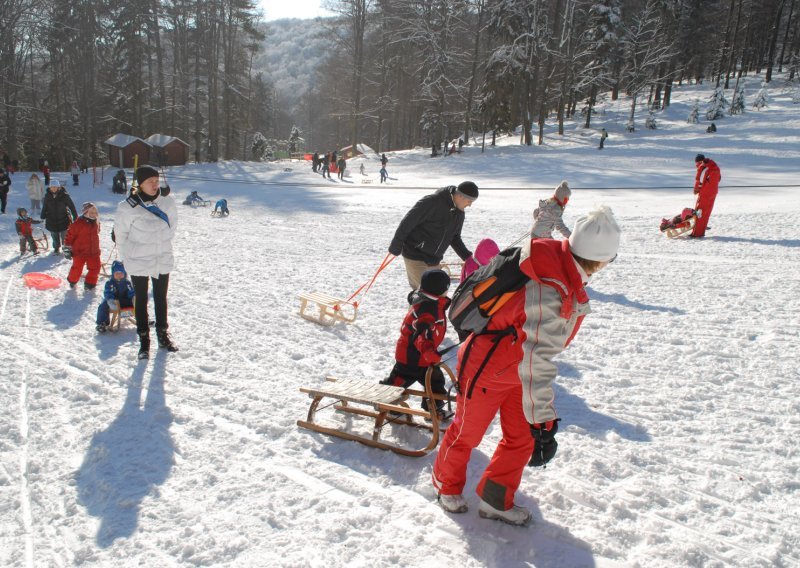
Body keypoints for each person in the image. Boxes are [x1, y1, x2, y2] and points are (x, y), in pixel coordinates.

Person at [432, 206, 621, 526]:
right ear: (600, 260)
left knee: (521, 438)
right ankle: (445, 485)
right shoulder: (554, 295)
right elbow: (539, 360)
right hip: (488, 367)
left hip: (517, 370)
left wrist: (554, 206)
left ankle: (495, 498)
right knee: (467, 433)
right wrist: (545, 421)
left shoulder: (558, 258)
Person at [114, 165, 179, 359]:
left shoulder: (167, 203)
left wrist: (159, 244)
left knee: (161, 298)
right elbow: (121, 235)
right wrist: (128, 257)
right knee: (141, 300)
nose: (154, 184)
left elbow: (172, 228)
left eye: (156, 180)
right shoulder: (128, 207)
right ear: (140, 184)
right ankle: (144, 341)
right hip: (138, 260)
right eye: (149, 181)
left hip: (161, 257)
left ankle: (163, 336)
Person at [380, 269, 452, 419]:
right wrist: (430, 354)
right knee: (400, 380)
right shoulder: (427, 310)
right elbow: (421, 336)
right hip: (411, 357)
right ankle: (386, 399)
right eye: (446, 288)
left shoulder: (430, 302)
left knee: (435, 382)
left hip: (421, 357)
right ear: (439, 290)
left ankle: (433, 408)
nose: (447, 291)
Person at [389, 182, 478, 290]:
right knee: (426, 293)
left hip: (434, 259)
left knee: (439, 294)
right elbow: (408, 222)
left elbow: (455, 237)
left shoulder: (459, 213)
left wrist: (467, 257)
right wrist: (396, 245)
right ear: (459, 196)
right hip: (415, 254)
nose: (470, 205)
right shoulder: (432, 202)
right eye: (469, 201)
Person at [64, 202, 101, 290]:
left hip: (93, 251)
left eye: (95, 211)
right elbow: (69, 236)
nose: (94, 214)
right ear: (85, 212)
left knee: (95, 268)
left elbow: (97, 232)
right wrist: (67, 249)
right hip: (79, 252)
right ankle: (72, 281)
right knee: (77, 268)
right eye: (91, 212)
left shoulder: (97, 221)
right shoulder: (78, 224)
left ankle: (89, 284)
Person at [96, 261, 135, 333]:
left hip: (124, 300)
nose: (119, 275)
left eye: (121, 273)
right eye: (117, 273)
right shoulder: (110, 283)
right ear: (113, 274)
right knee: (103, 306)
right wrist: (110, 300)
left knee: (139, 303)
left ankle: (143, 319)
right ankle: (102, 323)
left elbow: (131, 292)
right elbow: (108, 292)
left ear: (124, 273)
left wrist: (133, 298)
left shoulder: (127, 283)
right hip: (112, 300)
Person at [40, 179, 77, 254]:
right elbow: (44, 207)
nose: (53, 188)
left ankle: (65, 248)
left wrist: (75, 216)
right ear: (50, 188)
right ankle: (56, 248)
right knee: (54, 236)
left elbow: (72, 206)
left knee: (65, 236)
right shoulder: (47, 196)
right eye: (52, 187)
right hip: (51, 220)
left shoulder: (65, 196)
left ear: (58, 187)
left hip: (63, 219)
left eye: (55, 187)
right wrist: (42, 216)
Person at [691, 154, 721, 238]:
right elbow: (718, 179)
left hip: (705, 194)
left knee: (699, 212)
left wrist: (696, 190)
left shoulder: (702, 168)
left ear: (697, 161)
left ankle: (697, 234)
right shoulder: (715, 167)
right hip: (713, 193)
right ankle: (702, 230)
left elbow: (699, 182)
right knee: (706, 213)